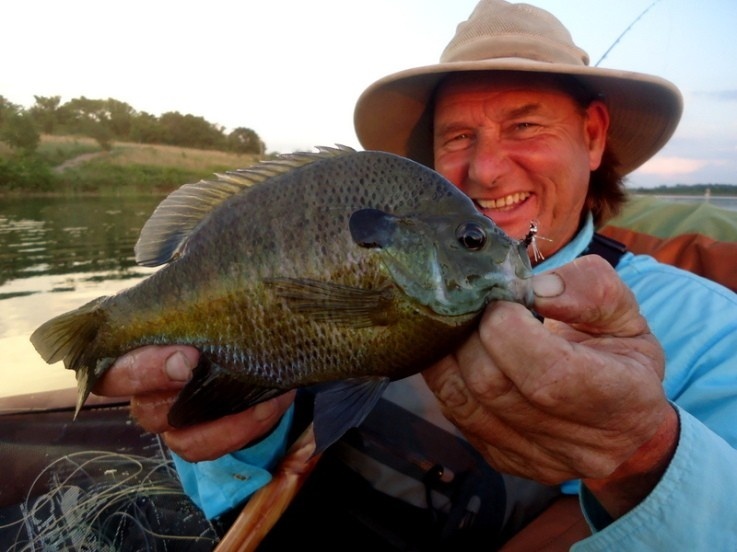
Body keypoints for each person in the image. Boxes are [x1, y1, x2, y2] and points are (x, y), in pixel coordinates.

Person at [94, 0, 737, 549]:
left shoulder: (713, 332)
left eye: (525, 125)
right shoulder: (366, 265)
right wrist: (239, 431)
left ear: (593, 136)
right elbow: (225, 471)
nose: (485, 171)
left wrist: (645, 453)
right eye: (456, 137)